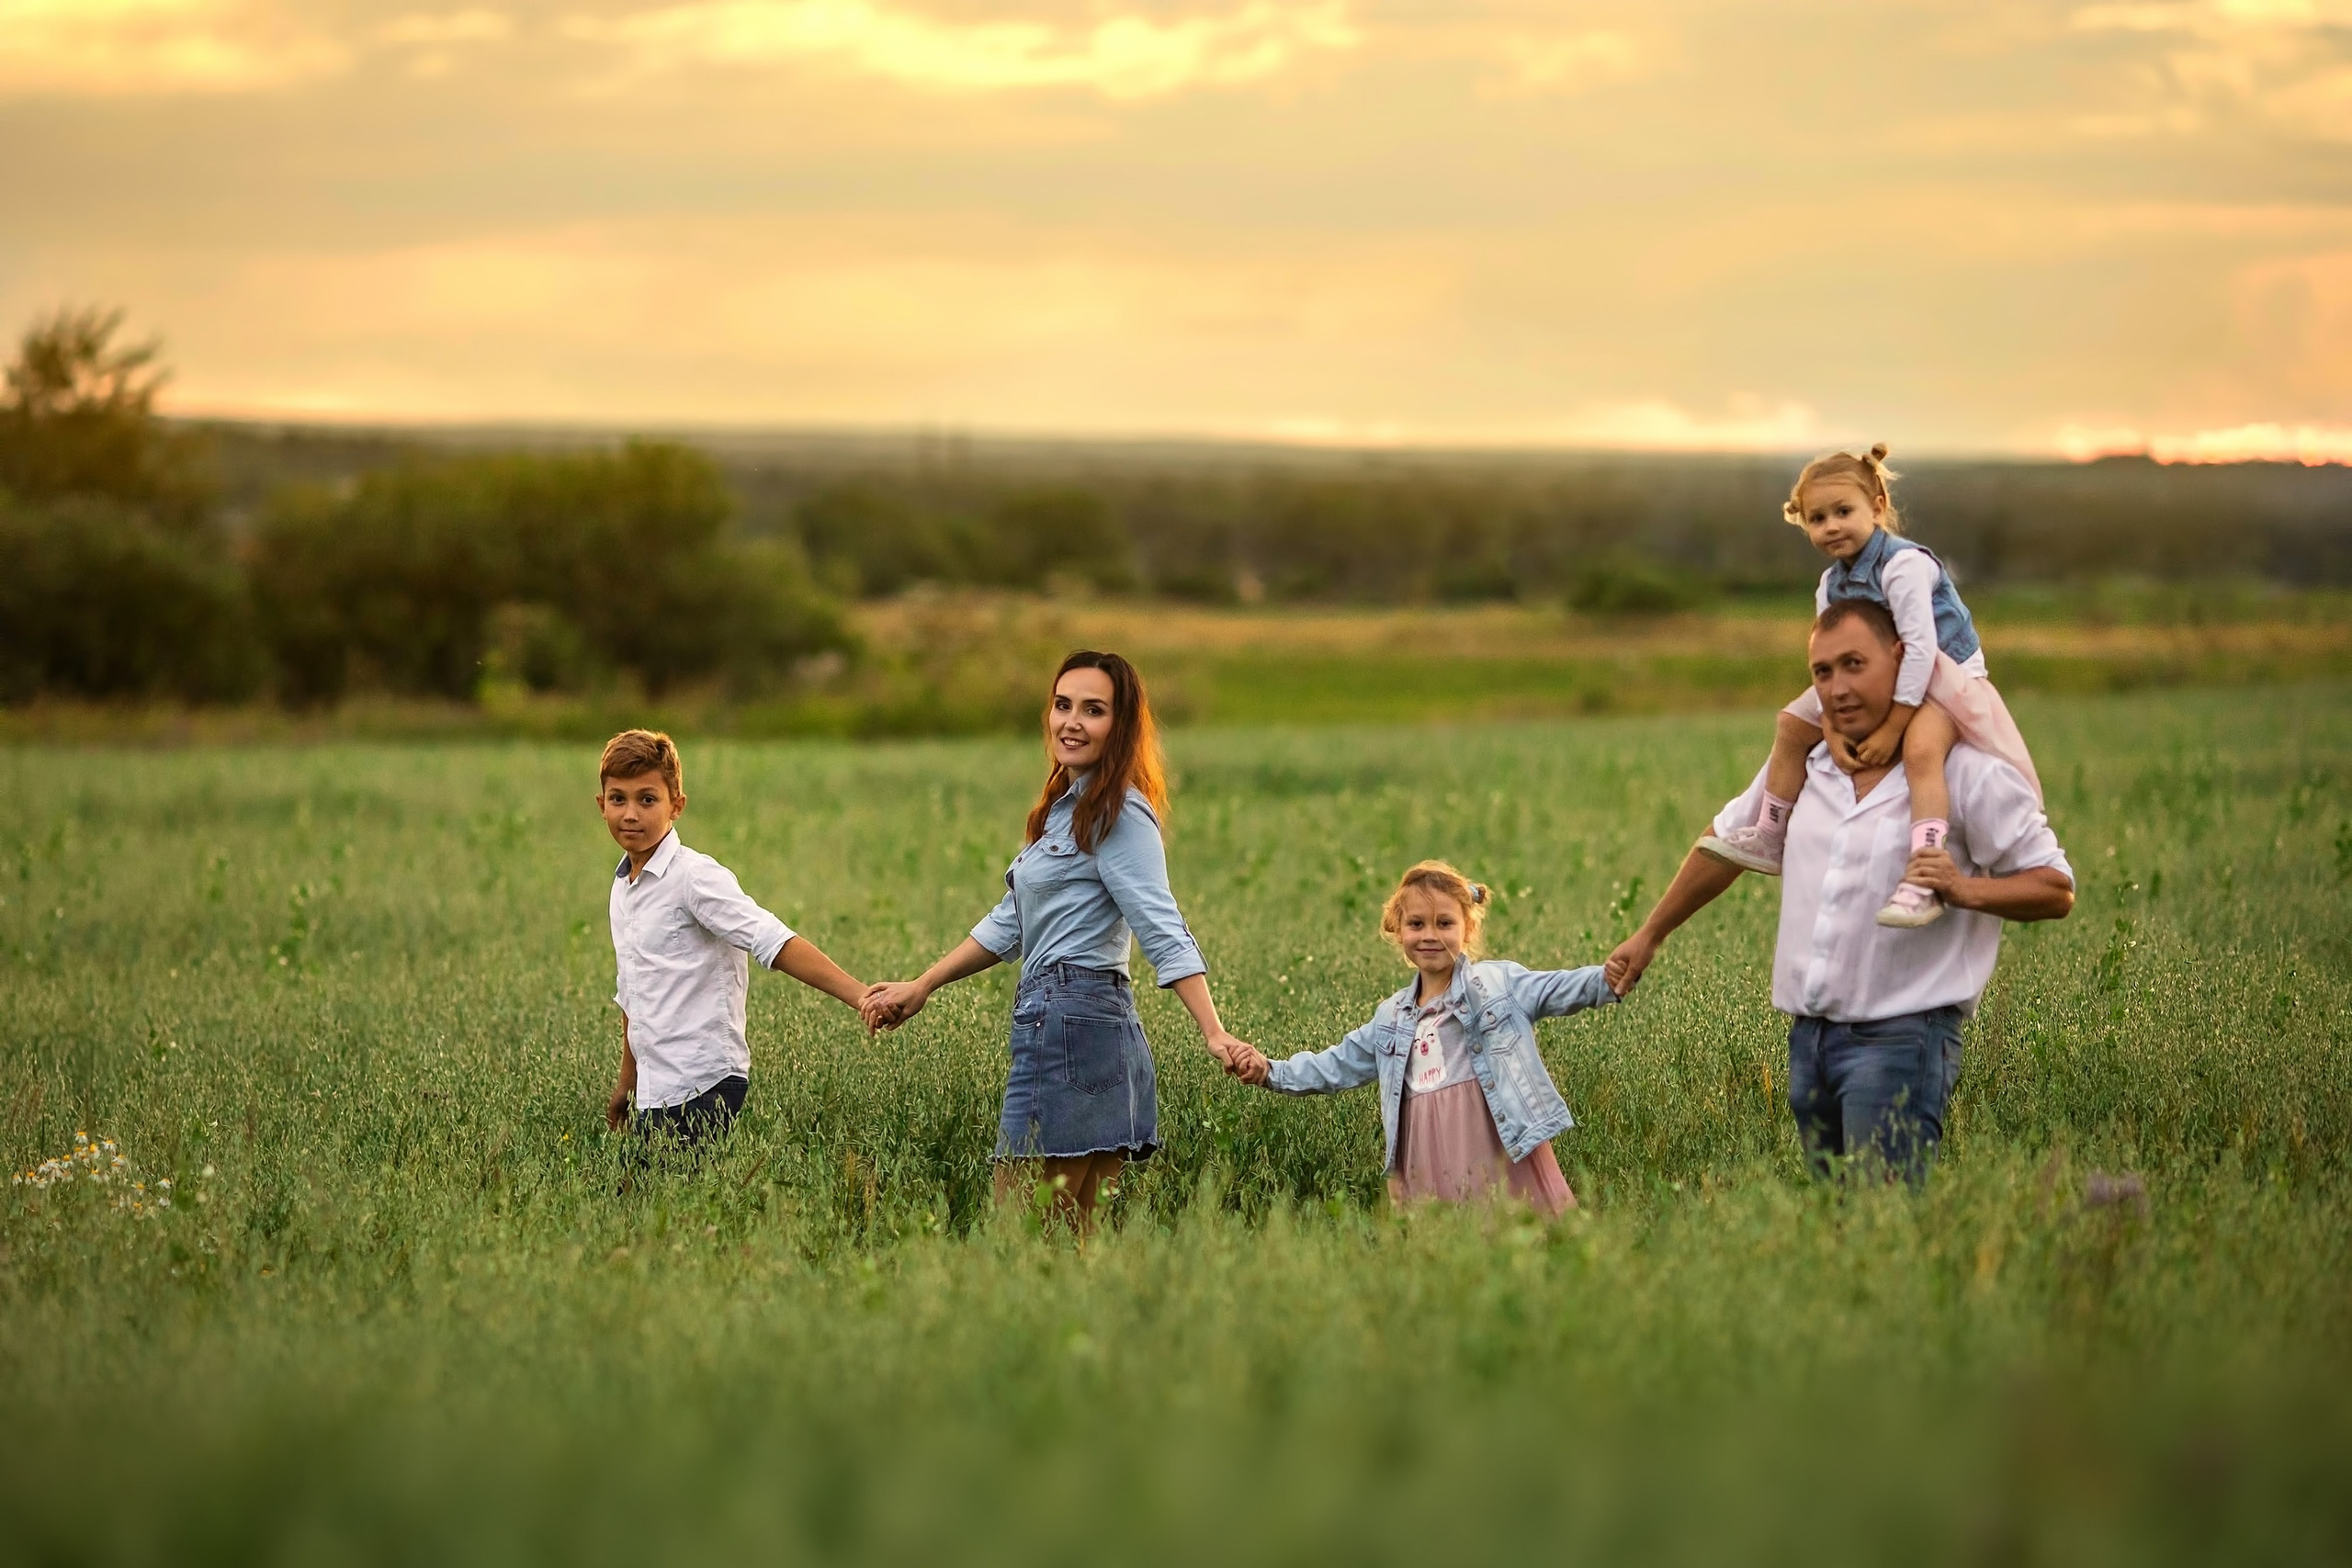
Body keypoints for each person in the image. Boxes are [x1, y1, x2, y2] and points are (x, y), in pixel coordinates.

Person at [1606, 602, 2073, 1183]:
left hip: (1903, 1039)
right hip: (1809, 1042)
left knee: (1883, 1211)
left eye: (1855, 664)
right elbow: (1725, 843)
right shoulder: (1808, 764)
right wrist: (1651, 935)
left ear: (1903, 661)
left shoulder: (1967, 772)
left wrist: (1960, 889)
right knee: (1831, 1215)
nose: (1838, 687)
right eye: (1822, 672)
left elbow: (2054, 888)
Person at [861, 651, 1255, 1233]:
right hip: (1090, 1027)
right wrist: (923, 985)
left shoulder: (1118, 814)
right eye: (1063, 705)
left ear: (1121, 726)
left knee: (1017, 1232)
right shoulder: (1067, 812)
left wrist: (1213, 1031)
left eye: (1093, 710)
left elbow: (1160, 924)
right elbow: (1012, 922)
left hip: (1068, 1023)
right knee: (1071, 1241)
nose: (1071, 722)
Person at [1698, 444, 2041, 930]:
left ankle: (1924, 875)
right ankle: (1771, 834)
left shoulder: (1904, 565)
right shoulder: (1830, 584)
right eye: (1817, 519)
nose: (1831, 526)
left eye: (1844, 512)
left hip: (1945, 676)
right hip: (1879, 675)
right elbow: (1828, 657)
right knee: (1791, 724)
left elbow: (1921, 650)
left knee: (1921, 751)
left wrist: (1893, 727)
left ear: (1877, 507)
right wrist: (1832, 728)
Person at [1230, 861, 1618, 1217]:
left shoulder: (1497, 985)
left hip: (1493, 1145)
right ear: (1398, 930)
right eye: (1417, 924)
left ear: (1468, 929)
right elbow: (1337, 1064)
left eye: (1444, 923)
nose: (1430, 935)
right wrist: (1270, 1071)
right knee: (1445, 1241)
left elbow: (1560, 988)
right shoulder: (1391, 1017)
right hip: (1427, 1153)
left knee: (1517, 1231)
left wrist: (1611, 977)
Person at [598, 728, 869, 1146]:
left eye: (647, 800)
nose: (631, 814)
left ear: (677, 806)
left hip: (703, 1082)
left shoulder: (694, 878)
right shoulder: (623, 888)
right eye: (618, 799)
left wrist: (861, 996)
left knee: (658, 1186)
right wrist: (627, 1084)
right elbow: (632, 994)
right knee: (639, 1188)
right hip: (656, 1089)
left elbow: (772, 939)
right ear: (602, 805)